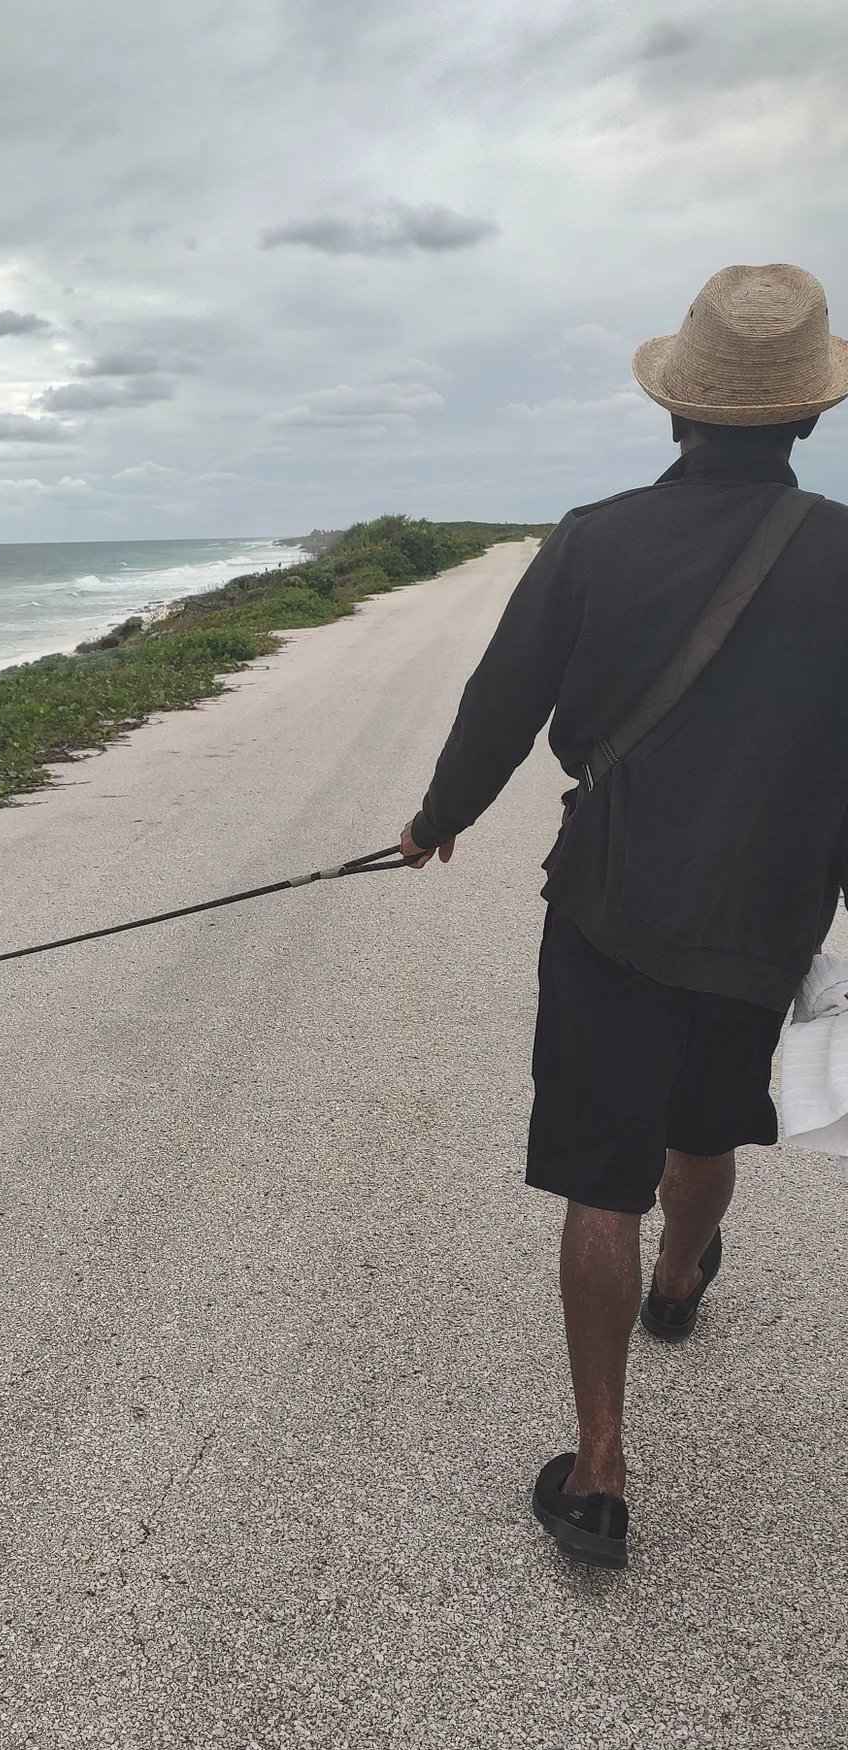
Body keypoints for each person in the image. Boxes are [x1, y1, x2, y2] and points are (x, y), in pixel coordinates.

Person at [400, 263, 848, 1569]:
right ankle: (680, 1282)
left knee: (604, 1175)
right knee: (708, 1122)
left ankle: (598, 1473)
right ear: (807, 419)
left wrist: (439, 818)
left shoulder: (593, 537)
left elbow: (503, 702)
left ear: (678, 411)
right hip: (766, 915)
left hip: (610, 903)